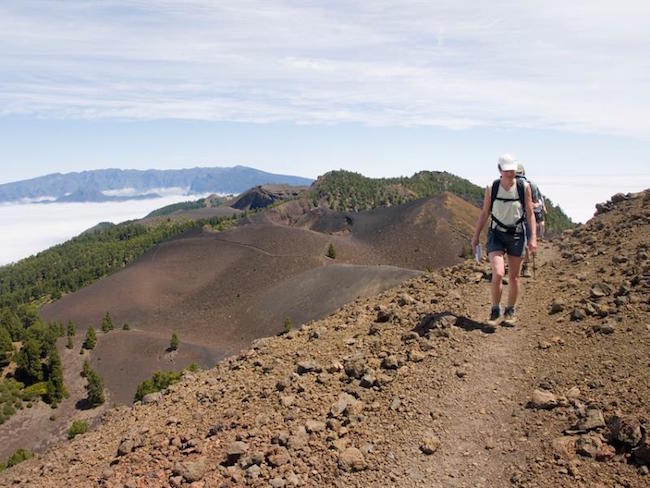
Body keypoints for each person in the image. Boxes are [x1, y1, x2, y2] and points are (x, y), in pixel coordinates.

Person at [470, 154, 537, 327]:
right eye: (506, 170)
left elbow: (529, 213)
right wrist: (476, 236)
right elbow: (485, 213)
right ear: (500, 170)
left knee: (514, 277)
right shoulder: (492, 187)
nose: (510, 173)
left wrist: (533, 238)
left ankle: (510, 311)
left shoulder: (524, 187)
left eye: (512, 169)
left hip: (516, 234)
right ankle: (495, 310)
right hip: (496, 234)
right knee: (498, 273)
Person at [515, 163, 542, 277]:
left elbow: (536, 203)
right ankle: (523, 266)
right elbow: (538, 203)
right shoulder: (531, 185)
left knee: (523, 244)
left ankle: (524, 266)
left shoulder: (528, 186)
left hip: (519, 218)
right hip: (523, 218)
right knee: (522, 243)